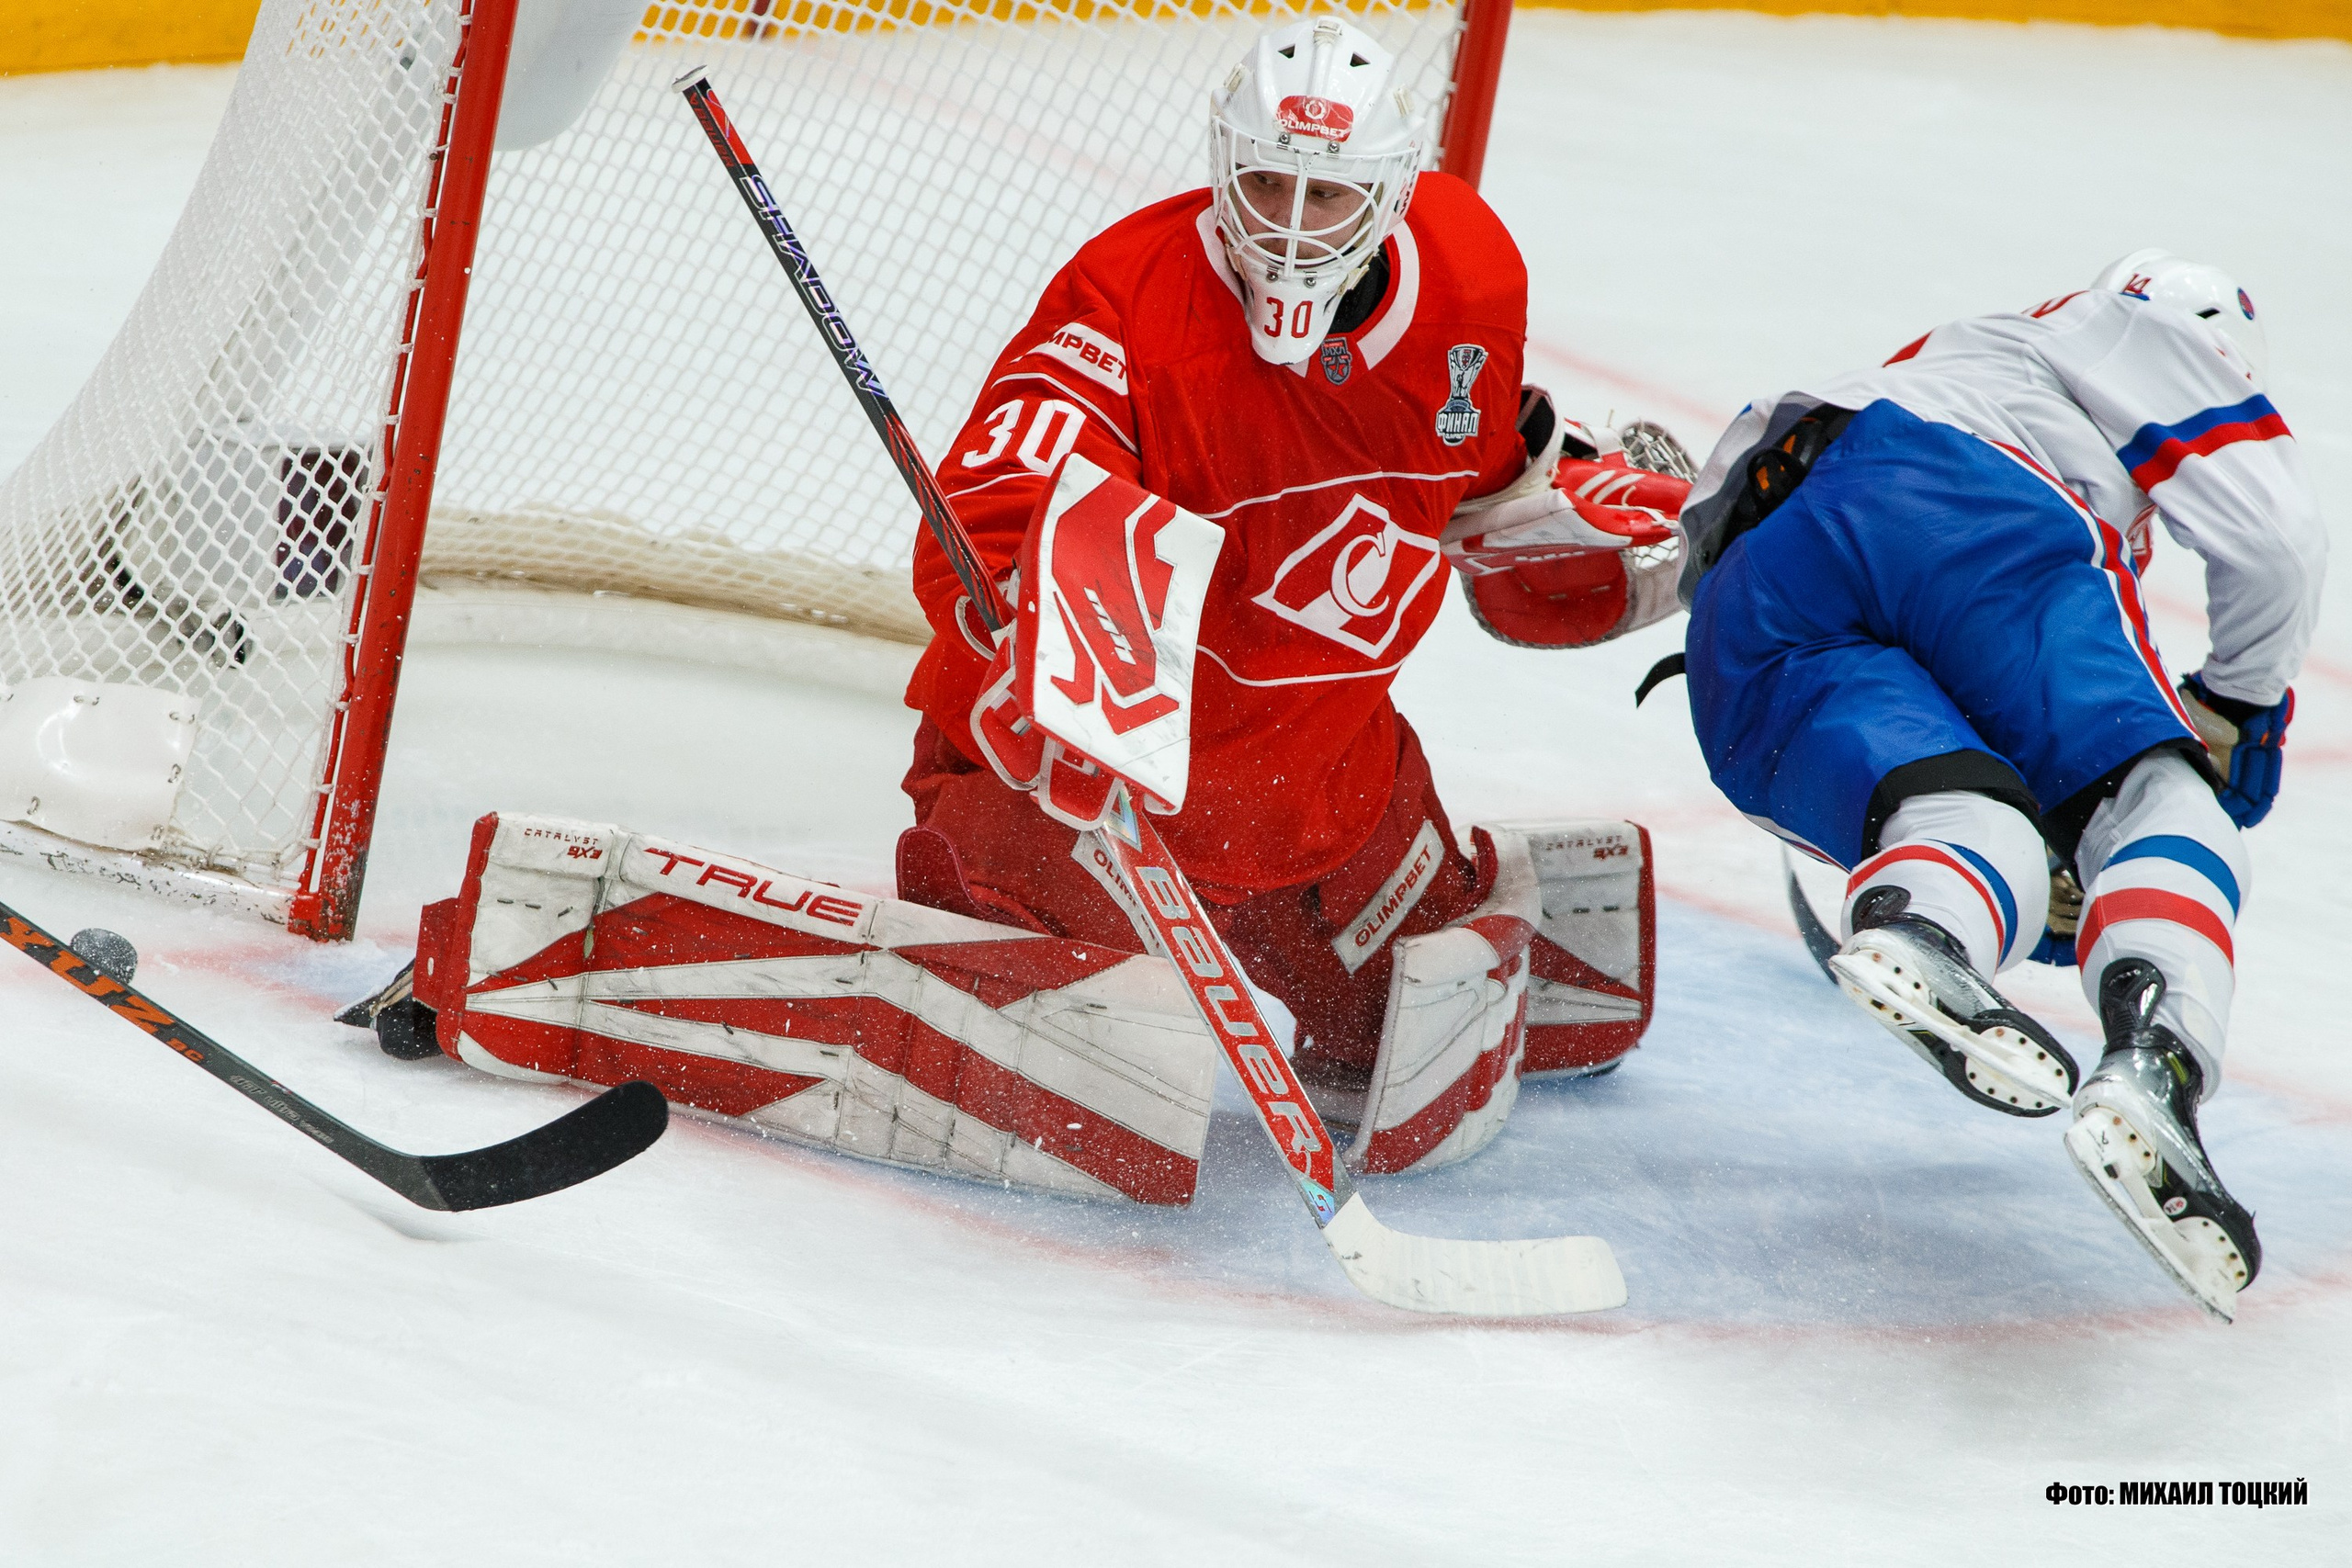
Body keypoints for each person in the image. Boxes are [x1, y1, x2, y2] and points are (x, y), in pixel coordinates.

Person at [894, 15, 1690, 1174]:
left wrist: (1553, 494)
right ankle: (980, 880)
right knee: (1073, 1055)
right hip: (1088, 796)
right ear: (1222, 163)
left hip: (1320, 790)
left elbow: (1468, 464)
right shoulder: (1124, 297)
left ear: (1394, 190)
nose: (1290, 221)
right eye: (1267, 182)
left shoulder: (1470, 275)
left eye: (1328, 195)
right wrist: (1023, 629)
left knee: (1405, 1049)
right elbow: (1004, 497)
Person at [1675, 249, 2325, 1319]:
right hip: (1977, 515)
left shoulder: (1962, 353)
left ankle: (1921, 929)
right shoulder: (2144, 334)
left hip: (1753, 603)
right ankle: (2157, 1062)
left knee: (1964, 807)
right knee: (2159, 808)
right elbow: (2276, 546)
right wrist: (2239, 717)